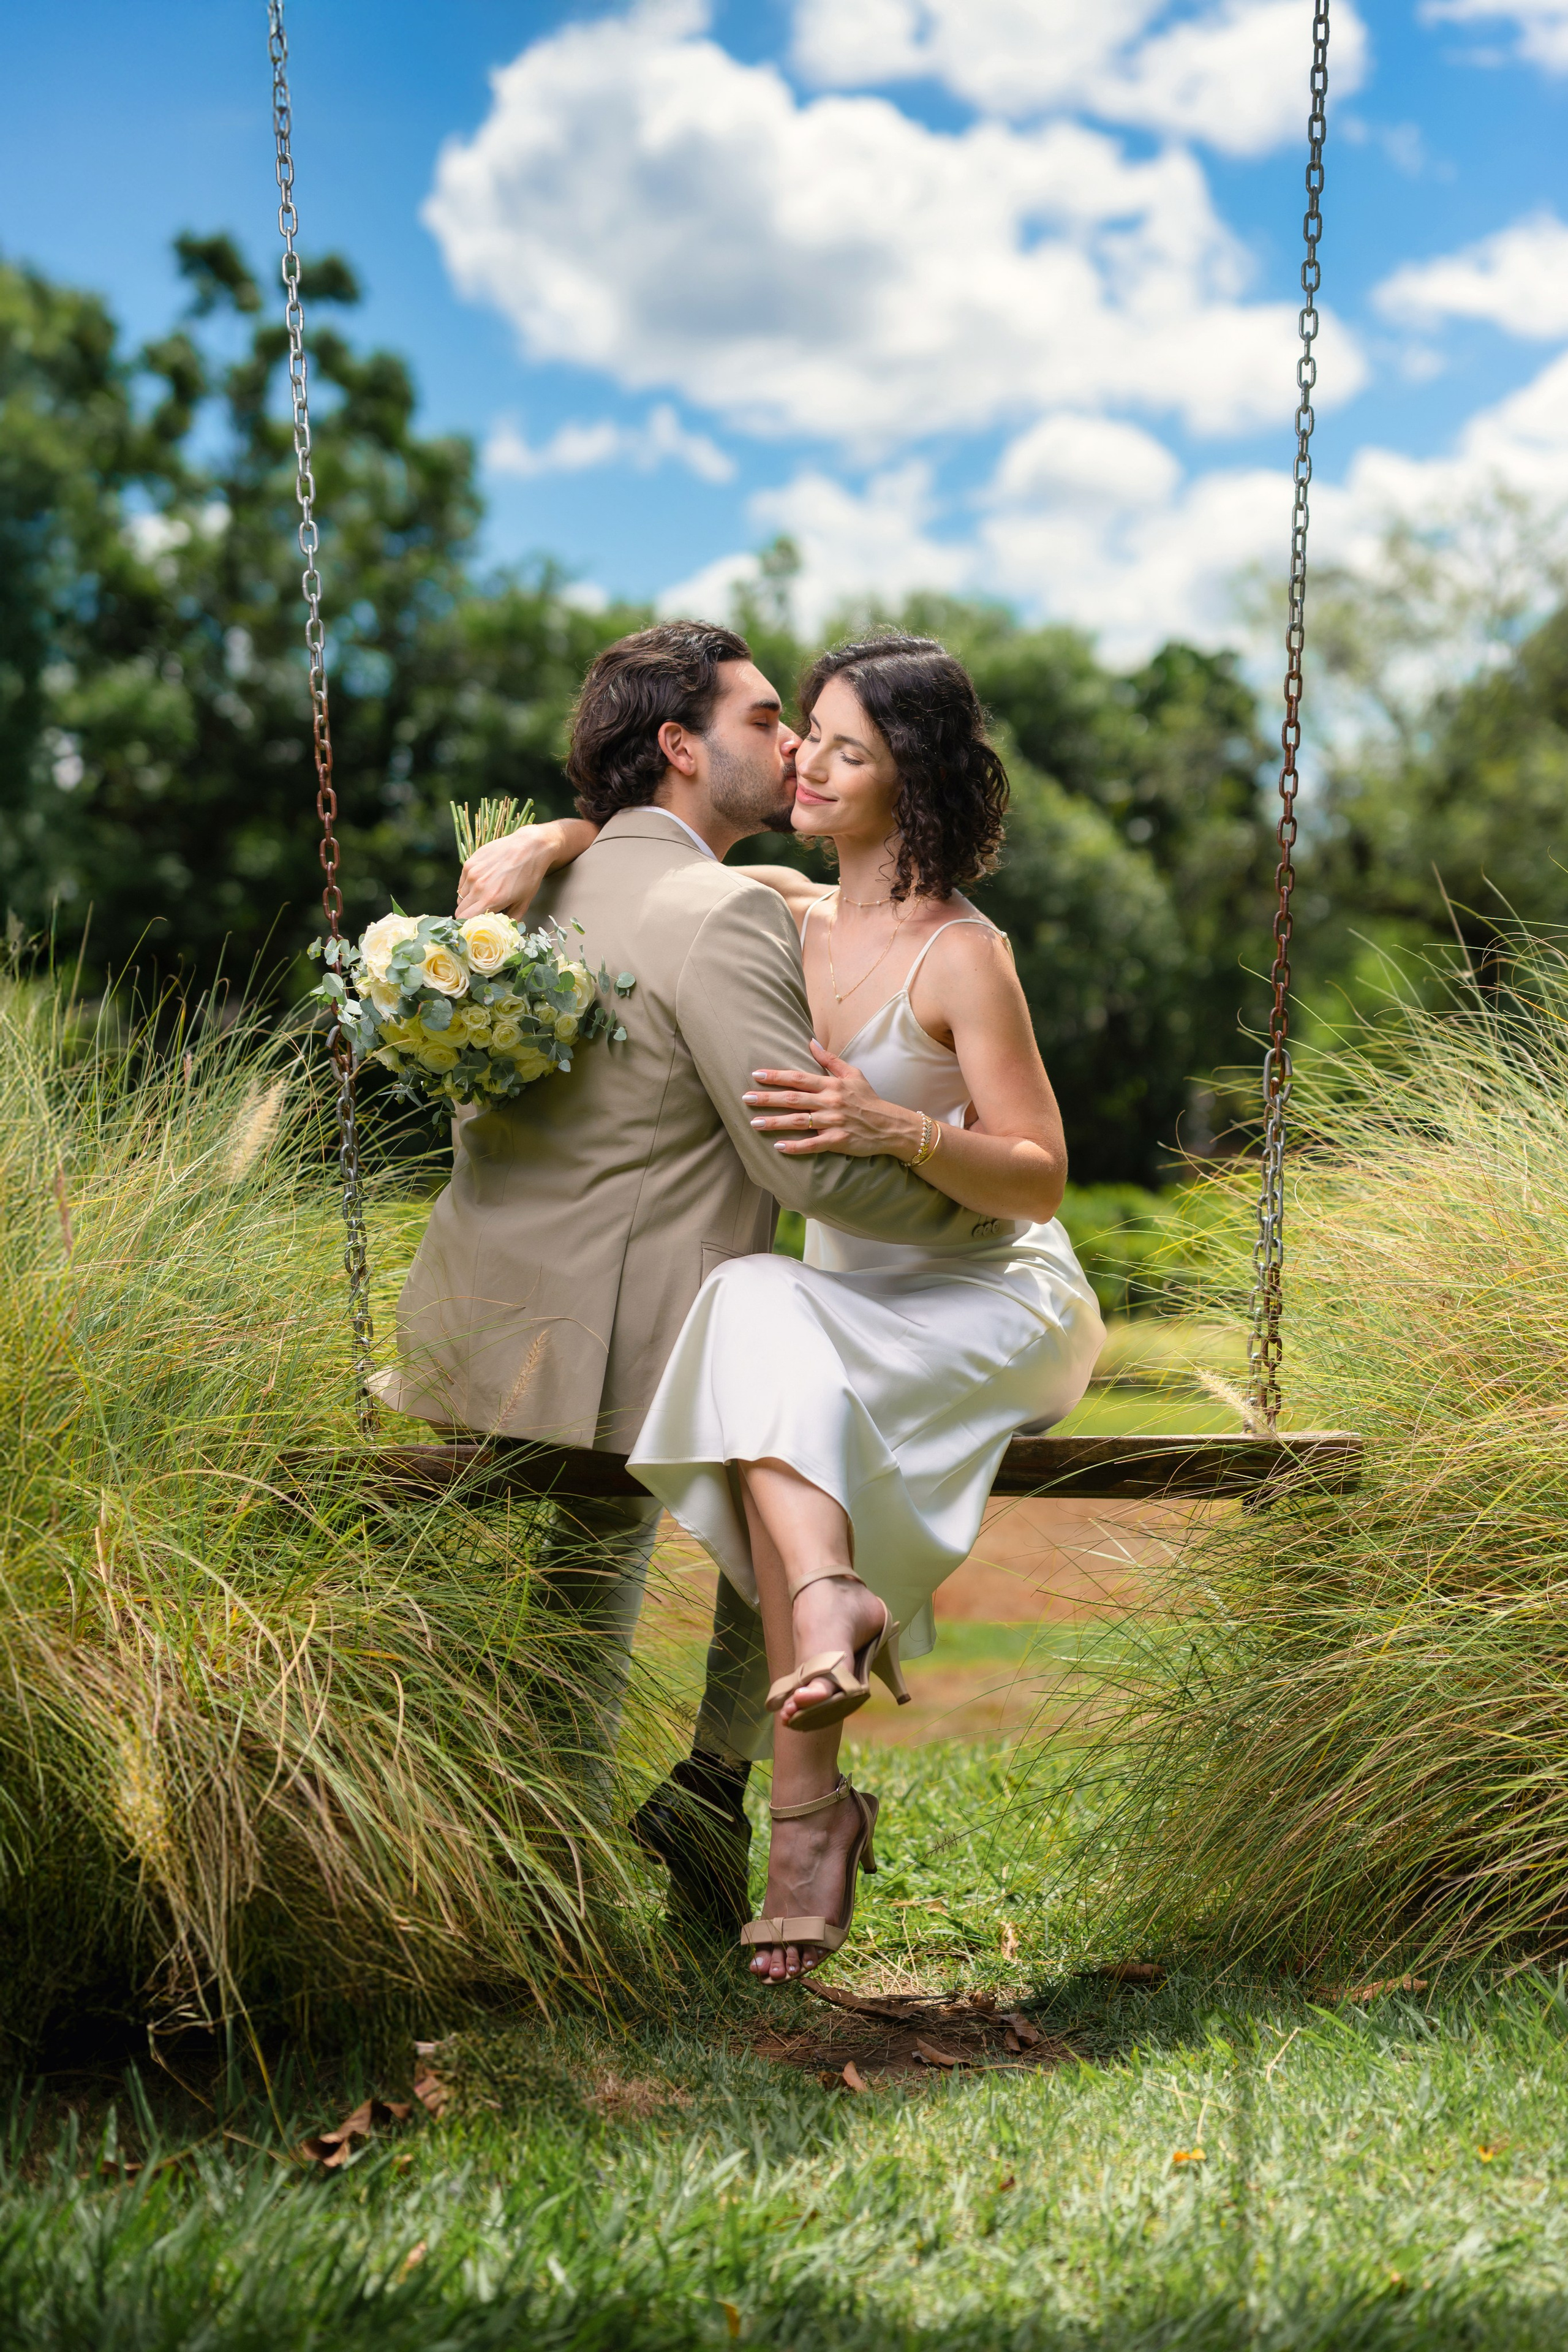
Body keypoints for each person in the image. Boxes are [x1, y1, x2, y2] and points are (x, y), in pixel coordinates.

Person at [470, 632, 1104, 1984]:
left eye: (844, 750)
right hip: (845, 1300)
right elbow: (653, 848)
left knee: (776, 1369)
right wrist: (546, 838)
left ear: (911, 781)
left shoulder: (964, 957)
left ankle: (794, 1809)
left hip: (986, 1293)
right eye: (804, 731)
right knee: (755, 1301)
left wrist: (895, 1127)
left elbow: (1040, 1176)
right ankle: (820, 1646)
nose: (805, 761)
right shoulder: (777, 907)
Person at [374, 621, 984, 1937]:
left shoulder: (520, 900)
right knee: (817, 1459)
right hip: (629, 1344)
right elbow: (807, 1168)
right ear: (679, 746)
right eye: (765, 719)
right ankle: (696, 1794)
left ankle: (561, 1857)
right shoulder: (719, 915)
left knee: (584, 1580)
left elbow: (668, 875)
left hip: (471, 1323)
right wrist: (973, 1224)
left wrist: (560, 831)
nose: (795, 741)